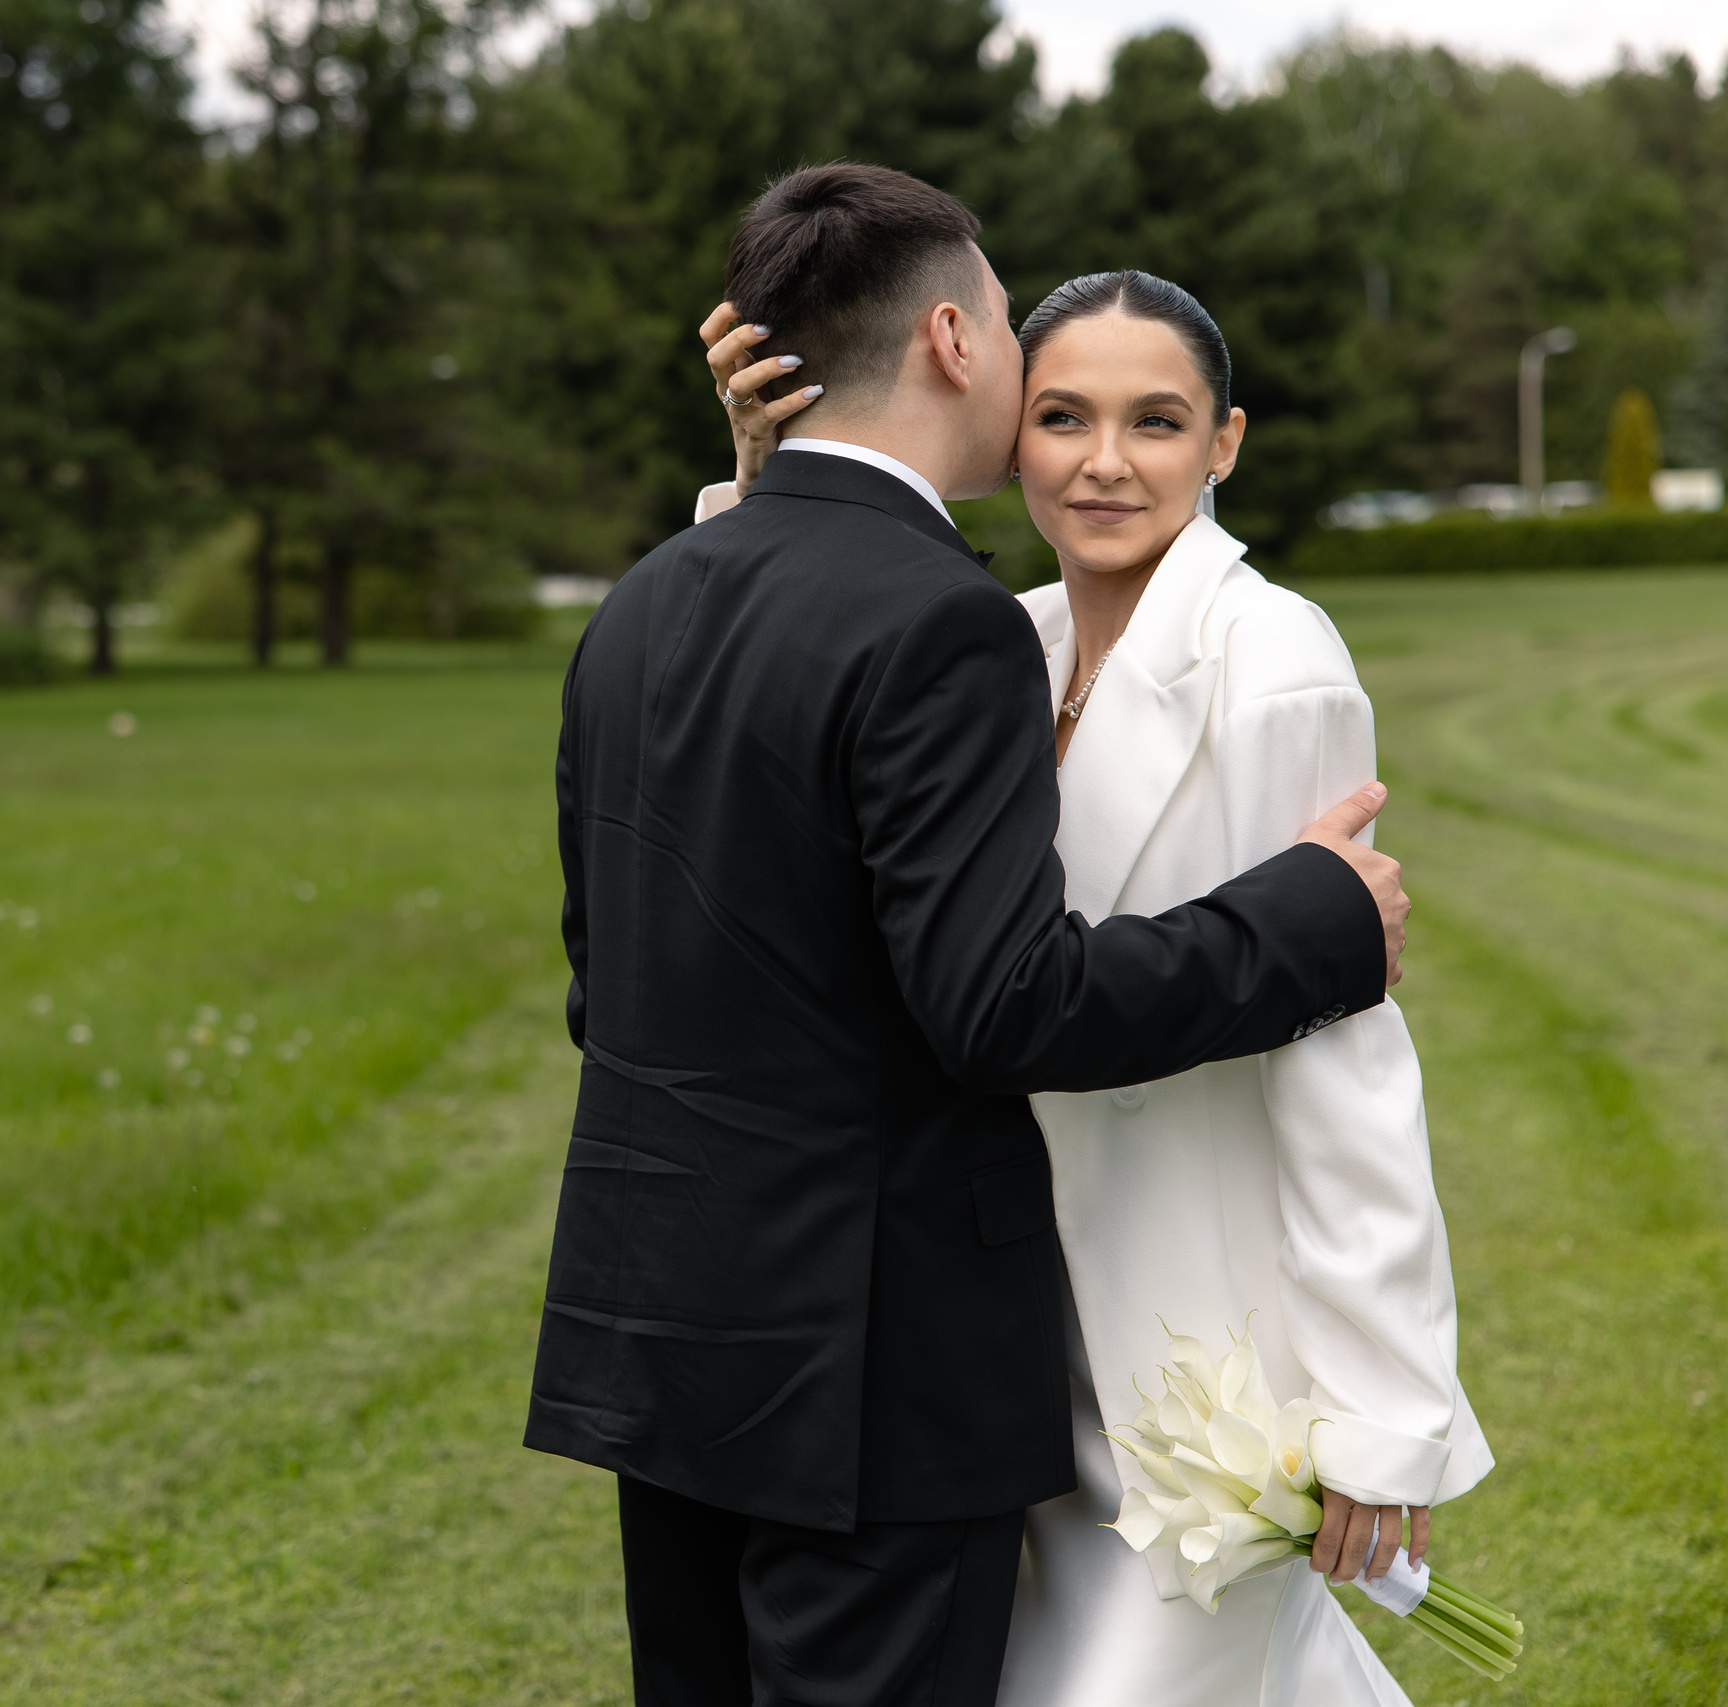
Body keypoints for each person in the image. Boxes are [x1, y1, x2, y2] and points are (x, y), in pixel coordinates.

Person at [524, 162, 1412, 1707]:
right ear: (949, 336)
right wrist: (1313, 919)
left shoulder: (651, 598)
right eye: (1013, 332)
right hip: (869, 1368)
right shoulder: (943, 617)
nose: (1041, 399)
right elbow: (1001, 1006)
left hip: (662, 1338)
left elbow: (611, 995)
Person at [693, 265, 1493, 1703]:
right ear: (1009, 432)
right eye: (1062, 415)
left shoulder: (1276, 663)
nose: (1107, 462)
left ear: (1226, 444)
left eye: (1158, 421)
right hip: (993, 1333)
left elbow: (1338, 1045)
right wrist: (767, 494)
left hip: (1192, 1342)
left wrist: (1385, 1405)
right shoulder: (993, 635)